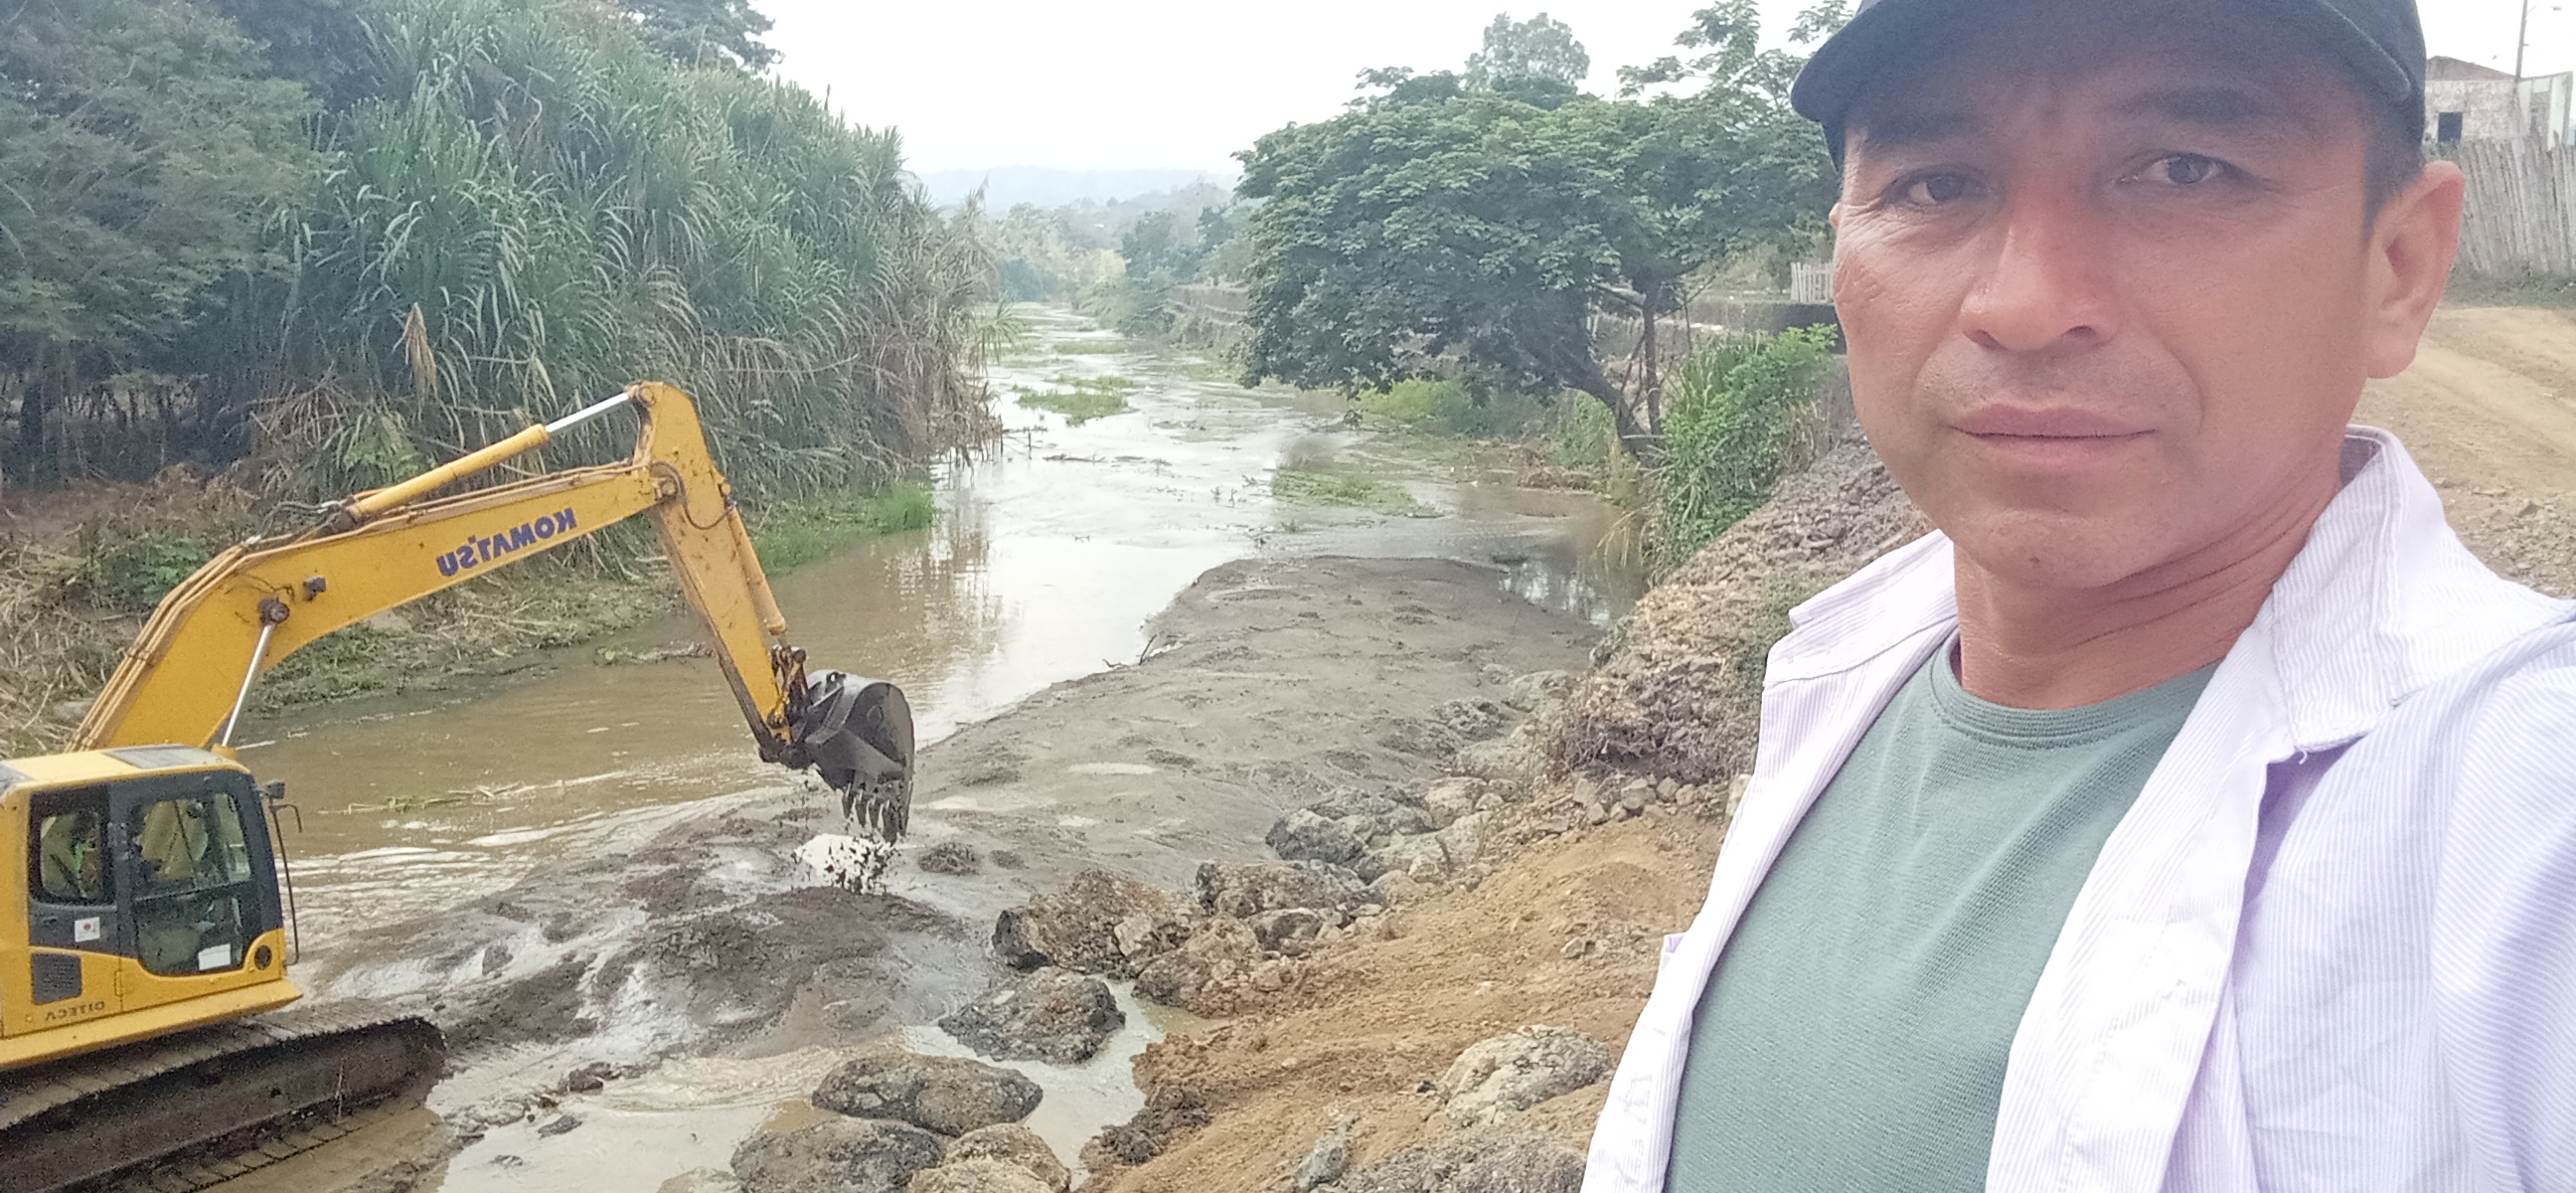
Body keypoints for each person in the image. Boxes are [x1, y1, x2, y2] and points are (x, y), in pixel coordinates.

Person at [1583, 0, 2576, 1189]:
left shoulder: (2525, 824)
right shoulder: (1845, 674)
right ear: (1844, 253)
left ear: (2400, 269)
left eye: (2186, 170)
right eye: (1937, 185)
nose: (2026, 304)